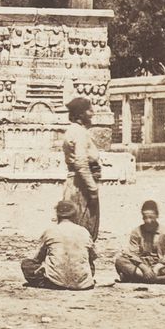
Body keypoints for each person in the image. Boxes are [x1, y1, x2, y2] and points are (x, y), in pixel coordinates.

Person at [20, 198, 97, 289]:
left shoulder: (50, 232)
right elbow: (93, 256)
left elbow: (37, 258)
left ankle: (54, 279)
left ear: (57, 215)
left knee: (26, 264)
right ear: (75, 215)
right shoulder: (84, 232)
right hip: (83, 284)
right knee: (89, 263)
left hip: (55, 283)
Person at [61, 96, 102, 241]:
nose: (92, 113)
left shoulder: (74, 130)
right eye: (89, 110)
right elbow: (81, 163)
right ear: (81, 114)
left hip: (76, 184)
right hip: (81, 186)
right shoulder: (79, 132)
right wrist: (92, 189)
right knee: (84, 229)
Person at [114, 200, 165, 283]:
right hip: (140, 265)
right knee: (120, 261)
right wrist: (144, 268)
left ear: (157, 216)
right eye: (145, 217)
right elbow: (131, 253)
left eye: (151, 217)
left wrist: (157, 267)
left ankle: (136, 278)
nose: (148, 221)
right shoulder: (136, 232)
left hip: (158, 265)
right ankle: (159, 279)